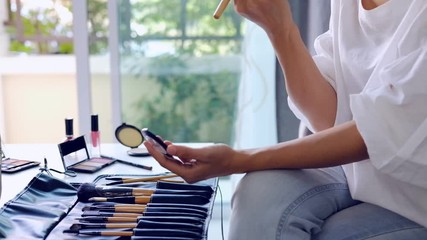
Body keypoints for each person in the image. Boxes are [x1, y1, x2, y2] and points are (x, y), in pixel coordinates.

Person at [144, 0, 427, 239]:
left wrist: (237, 160)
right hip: (362, 174)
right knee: (261, 194)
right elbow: (329, 121)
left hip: (417, 197)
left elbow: (372, 135)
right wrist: (280, 30)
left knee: (333, 233)